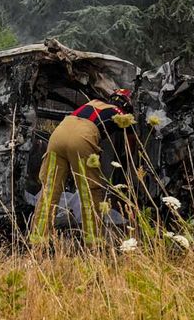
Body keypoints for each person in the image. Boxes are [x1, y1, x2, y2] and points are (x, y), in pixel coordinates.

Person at [28, 89, 132, 247]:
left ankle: (38, 240)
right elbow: (131, 142)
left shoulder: (92, 103)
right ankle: (93, 242)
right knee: (89, 191)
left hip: (58, 135)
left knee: (50, 190)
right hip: (81, 139)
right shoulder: (119, 113)